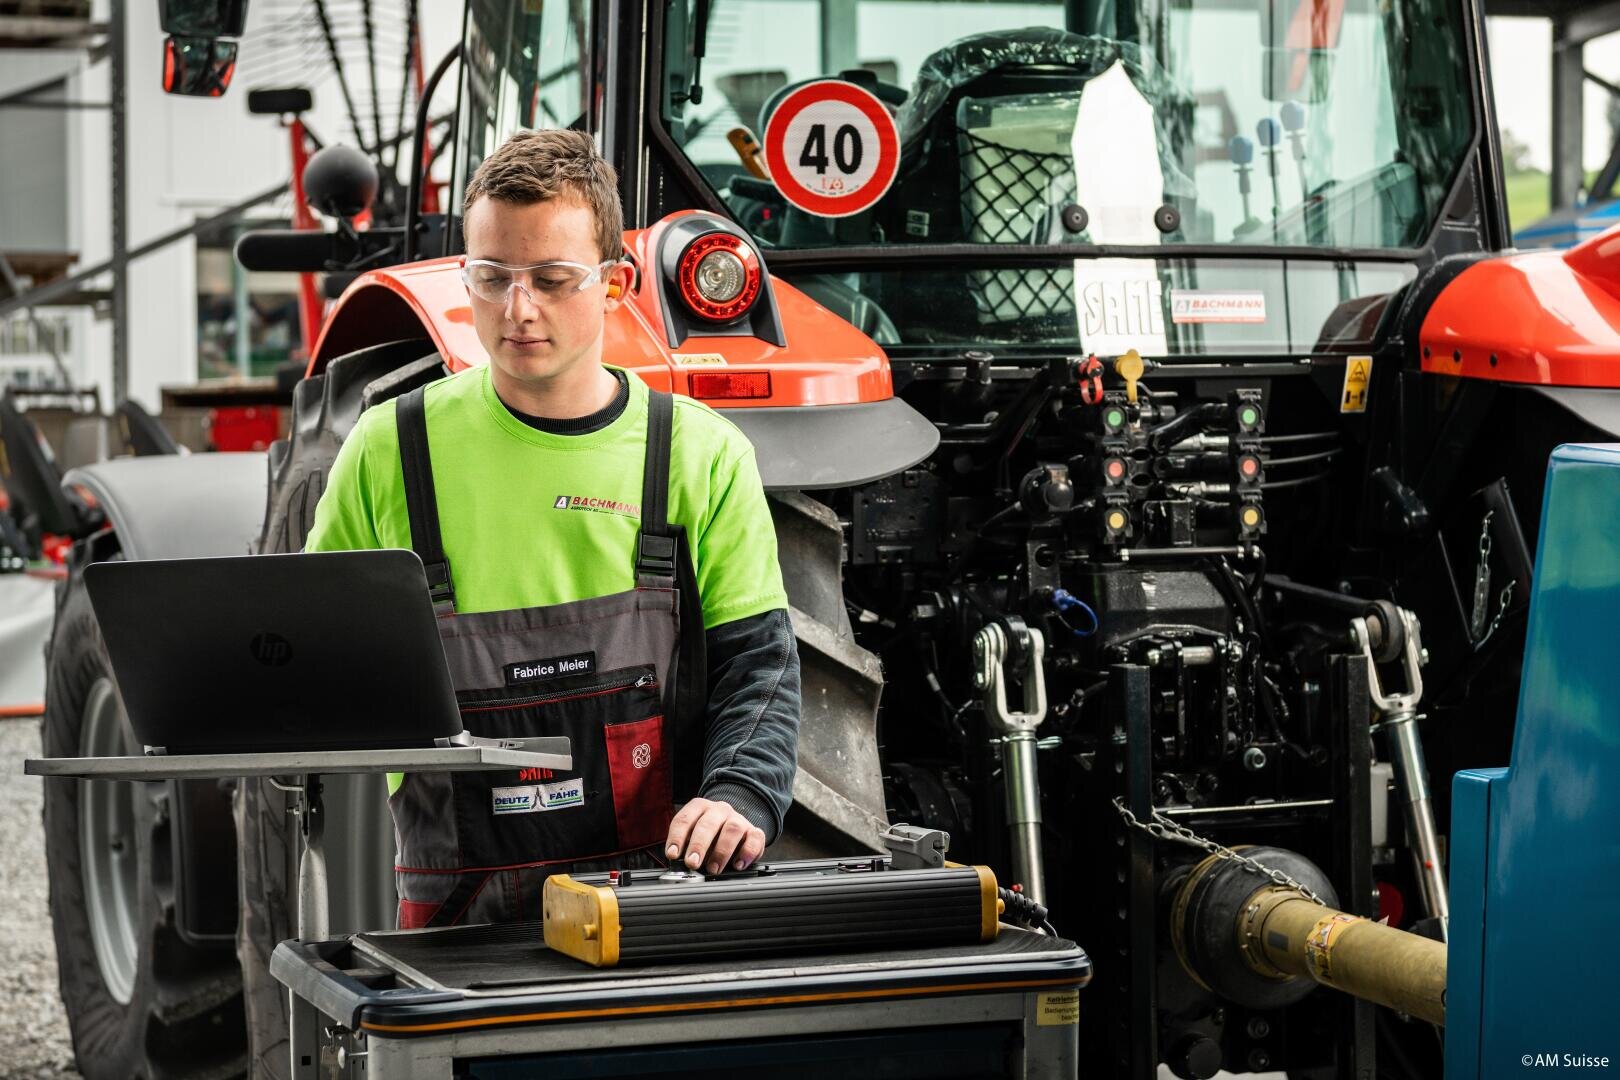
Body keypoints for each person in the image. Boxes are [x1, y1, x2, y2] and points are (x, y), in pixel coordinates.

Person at [304, 129, 800, 927]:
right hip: (456, 921)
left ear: (616, 285)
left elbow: (761, 669)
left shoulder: (700, 455)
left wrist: (739, 793)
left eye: (551, 278)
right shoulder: (391, 449)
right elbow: (311, 650)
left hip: (656, 905)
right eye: (492, 277)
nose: (517, 308)